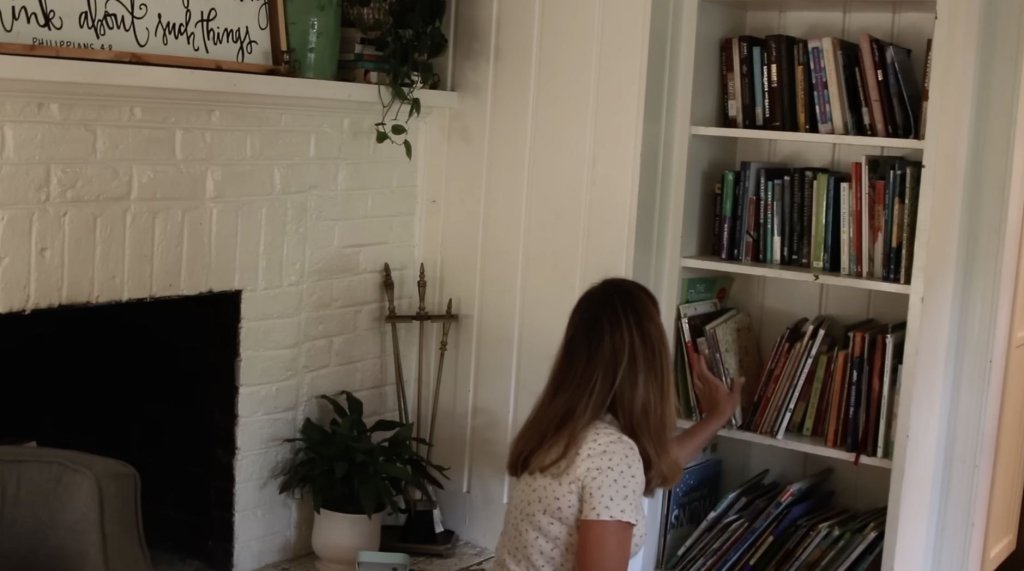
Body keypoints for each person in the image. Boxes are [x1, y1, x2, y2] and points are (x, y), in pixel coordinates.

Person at [491, 278, 741, 571]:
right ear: (649, 361)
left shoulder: (568, 429)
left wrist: (717, 416)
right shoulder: (611, 454)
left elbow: (654, 463)